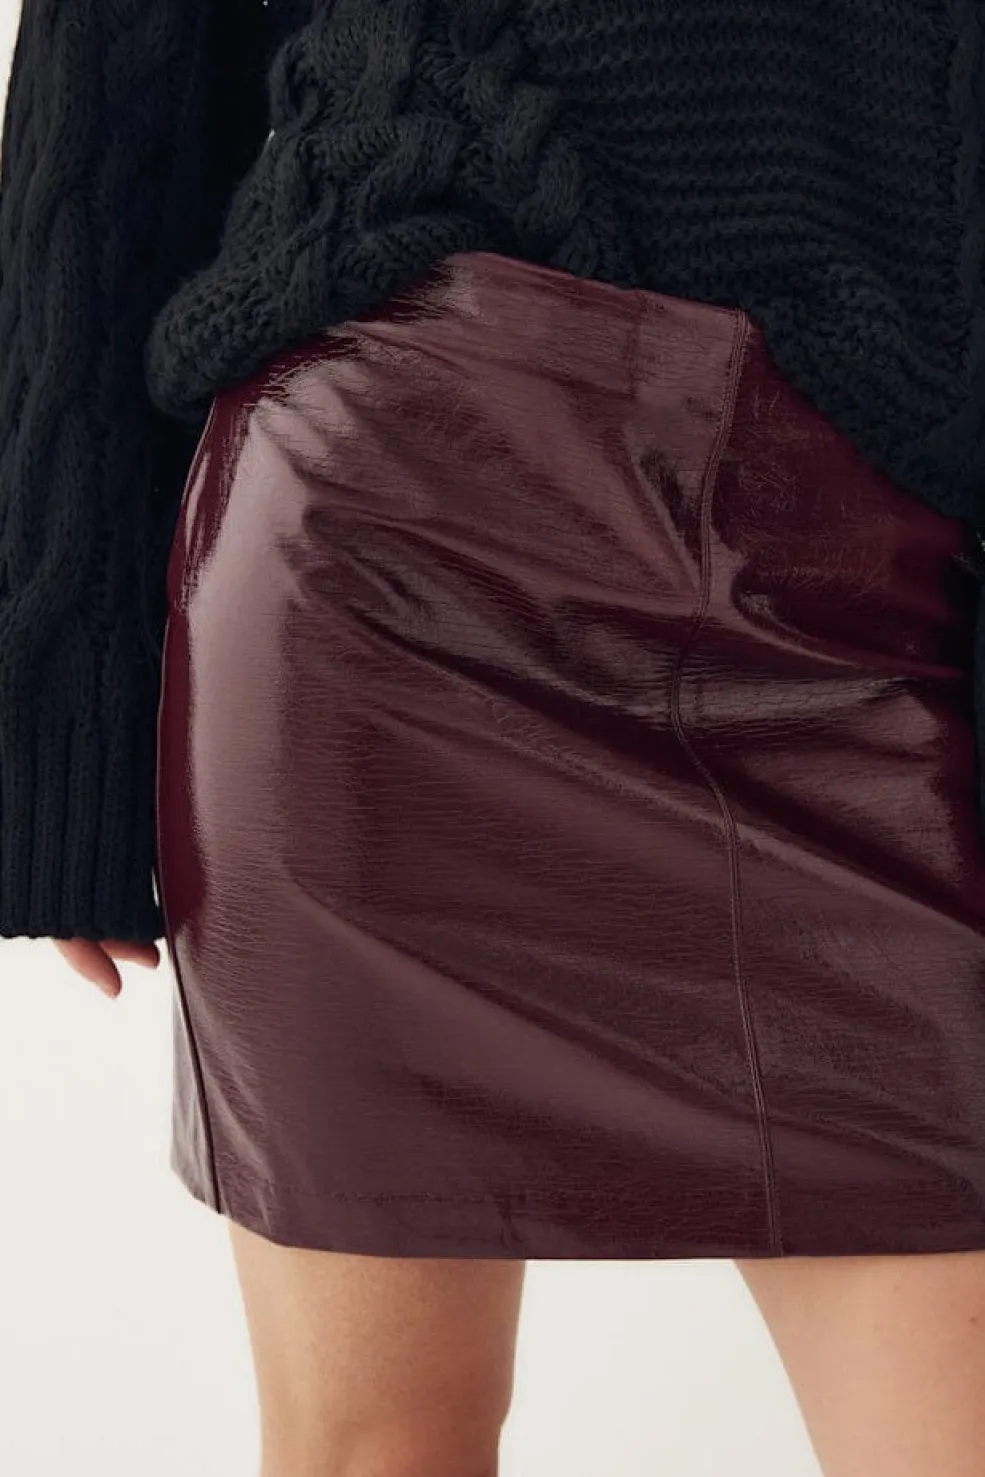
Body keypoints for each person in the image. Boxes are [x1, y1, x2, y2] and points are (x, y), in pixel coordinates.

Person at [2, 2, 985, 1474]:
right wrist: (60, 713)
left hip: (881, 575)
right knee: (377, 1447)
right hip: (401, 542)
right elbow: (115, 63)